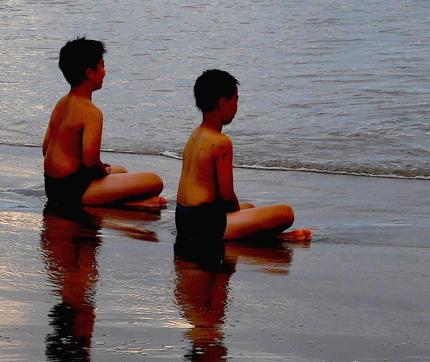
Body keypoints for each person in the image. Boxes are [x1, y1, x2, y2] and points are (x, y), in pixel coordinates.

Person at [176, 68, 311, 245]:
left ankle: (258, 233)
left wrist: (243, 215)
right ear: (223, 103)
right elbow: (227, 196)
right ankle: (273, 238)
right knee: (285, 213)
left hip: (184, 221)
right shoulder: (221, 142)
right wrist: (239, 216)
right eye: (236, 100)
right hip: (206, 227)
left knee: (250, 208)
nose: (237, 107)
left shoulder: (195, 135)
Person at [42, 37, 166, 212]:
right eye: (102, 66)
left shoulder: (62, 103)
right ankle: (127, 204)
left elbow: (46, 149)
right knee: (154, 181)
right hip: (74, 193)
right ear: (89, 73)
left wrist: (99, 169)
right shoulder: (91, 112)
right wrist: (103, 171)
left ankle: (120, 201)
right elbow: (91, 162)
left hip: (53, 186)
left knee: (121, 171)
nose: (105, 72)